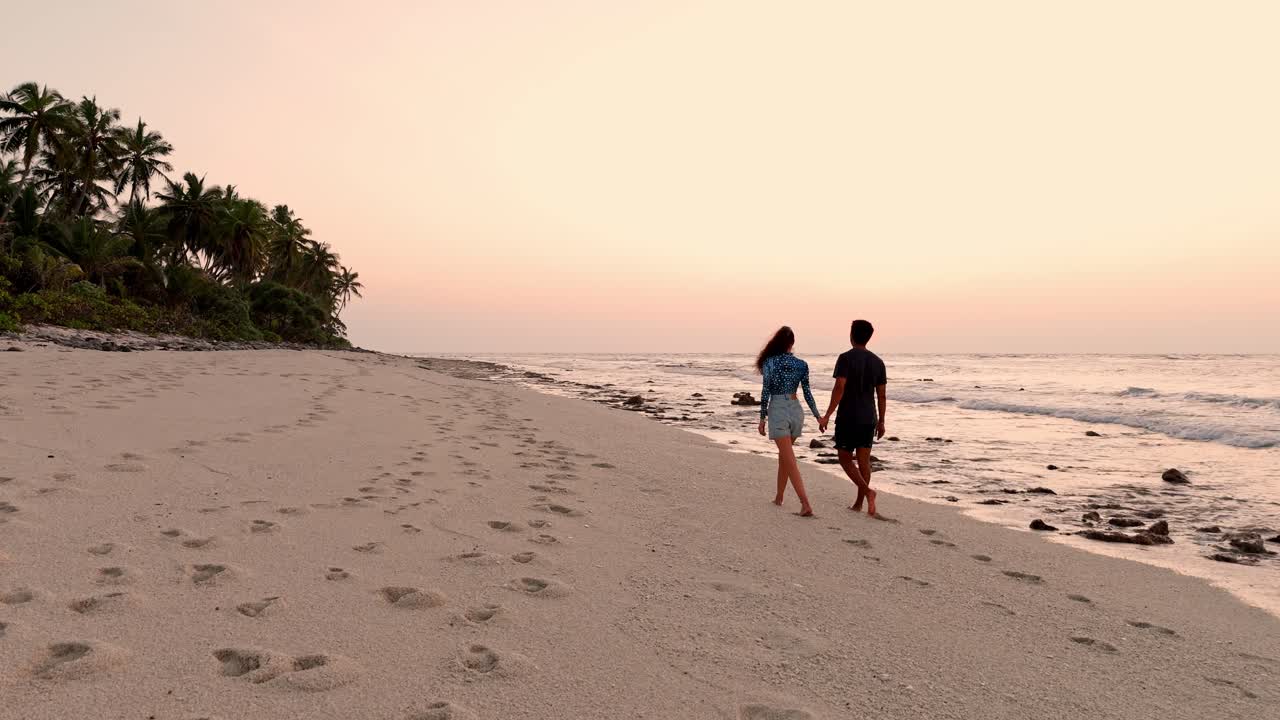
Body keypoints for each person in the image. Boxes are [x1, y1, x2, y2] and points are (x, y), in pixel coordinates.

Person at [755, 326, 824, 517]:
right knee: (785, 457)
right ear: (792, 344)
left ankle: (805, 503)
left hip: (778, 409)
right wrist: (818, 416)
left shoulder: (769, 362)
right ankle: (779, 497)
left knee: (789, 459)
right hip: (796, 410)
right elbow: (807, 393)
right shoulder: (801, 364)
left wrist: (762, 418)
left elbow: (765, 392)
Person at [821, 319, 887, 515]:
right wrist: (882, 421)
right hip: (869, 418)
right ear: (869, 337)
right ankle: (859, 503)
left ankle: (867, 493)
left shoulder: (845, 358)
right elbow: (881, 395)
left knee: (844, 457)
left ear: (851, 335)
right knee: (864, 462)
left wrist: (827, 415)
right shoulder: (878, 362)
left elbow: (839, 387)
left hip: (848, 416)